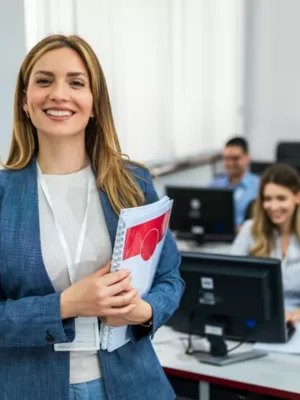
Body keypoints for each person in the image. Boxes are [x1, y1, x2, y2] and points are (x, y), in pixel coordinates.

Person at [0, 34, 184, 400]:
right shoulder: (4, 194)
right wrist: (66, 305)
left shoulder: (132, 183)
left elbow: (170, 277)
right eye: (44, 80)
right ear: (25, 100)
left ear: (94, 103)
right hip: (31, 387)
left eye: (76, 82)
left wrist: (143, 311)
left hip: (134, 384)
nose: (59, 94)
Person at [231, 163, 300, 324]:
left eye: (281, 198)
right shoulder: (250, 229)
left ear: (297, 197)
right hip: (259, 317)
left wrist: (296, 314)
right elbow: (230, 277)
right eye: (267, 199)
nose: (273, 206)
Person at [209, 137, 259, 228]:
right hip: (219, 235)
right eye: (227, 159)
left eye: (235, 159)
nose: (230, 163)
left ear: (247, 158)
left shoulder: (259, 186)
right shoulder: (214, 185)